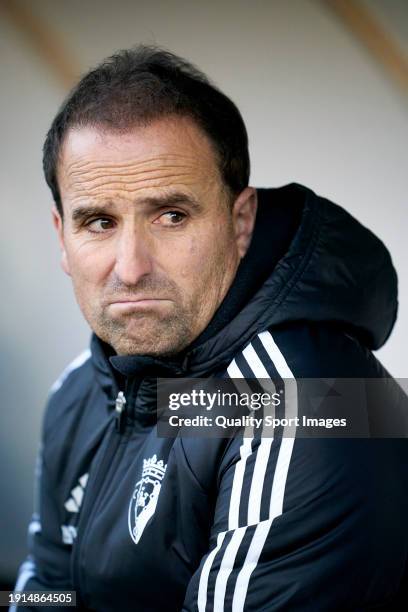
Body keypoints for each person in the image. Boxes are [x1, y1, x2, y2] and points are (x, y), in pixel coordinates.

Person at [13, 46, 407, 611]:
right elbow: (48, 589)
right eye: (98, 222)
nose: (130, 267)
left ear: (239, 222)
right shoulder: (83, 388)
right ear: (62, 238)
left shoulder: (314, 406)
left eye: (171, 216)